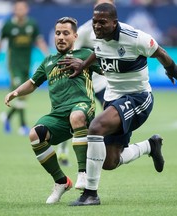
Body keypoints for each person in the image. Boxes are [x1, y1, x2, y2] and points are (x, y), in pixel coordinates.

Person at [58, 3, 177, 206]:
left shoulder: (135, 37)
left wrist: (172, 69)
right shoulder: (98, 35)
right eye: (95, 22)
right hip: (113, 98)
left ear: (114, 22)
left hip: (138, 97)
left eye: (102, 22)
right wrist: (83, 65)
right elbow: (99, 52)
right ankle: (150, 146)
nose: (97, 26)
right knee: (109, 161)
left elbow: (160, 52)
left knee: (96, 127)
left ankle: (90, 194)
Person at [4, 16, 103, 204]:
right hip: (59, 114)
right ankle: (61, 182)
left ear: (75, 36)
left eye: (66, 33)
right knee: (35, 135)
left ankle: (83, 173)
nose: (61, 37)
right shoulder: (48, 61)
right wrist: (16, 92)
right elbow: (33, 83)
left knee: (76, 116)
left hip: (83, 107)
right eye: (58, 33)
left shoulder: (84, 54)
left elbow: (106, 70)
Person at [56, 0, 113, 167]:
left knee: (110, 115)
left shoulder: (119, 30)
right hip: (85, 82)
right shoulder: (86, 31)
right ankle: (63, 149)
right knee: (75, 117)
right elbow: (70, 53)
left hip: (104, 82)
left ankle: (107, 150)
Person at [0, 0, 49, 135]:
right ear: (14, 10)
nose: (20, 11)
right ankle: (23, 125)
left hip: (26, 64)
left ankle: (8, 117)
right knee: (19, 93)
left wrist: (47, 56)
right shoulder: (8, 25)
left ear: (27, 10)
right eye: (18, 9)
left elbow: (39, 41)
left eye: (22, 8)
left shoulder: (32, 25)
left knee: (24, 94)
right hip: (13, 65)